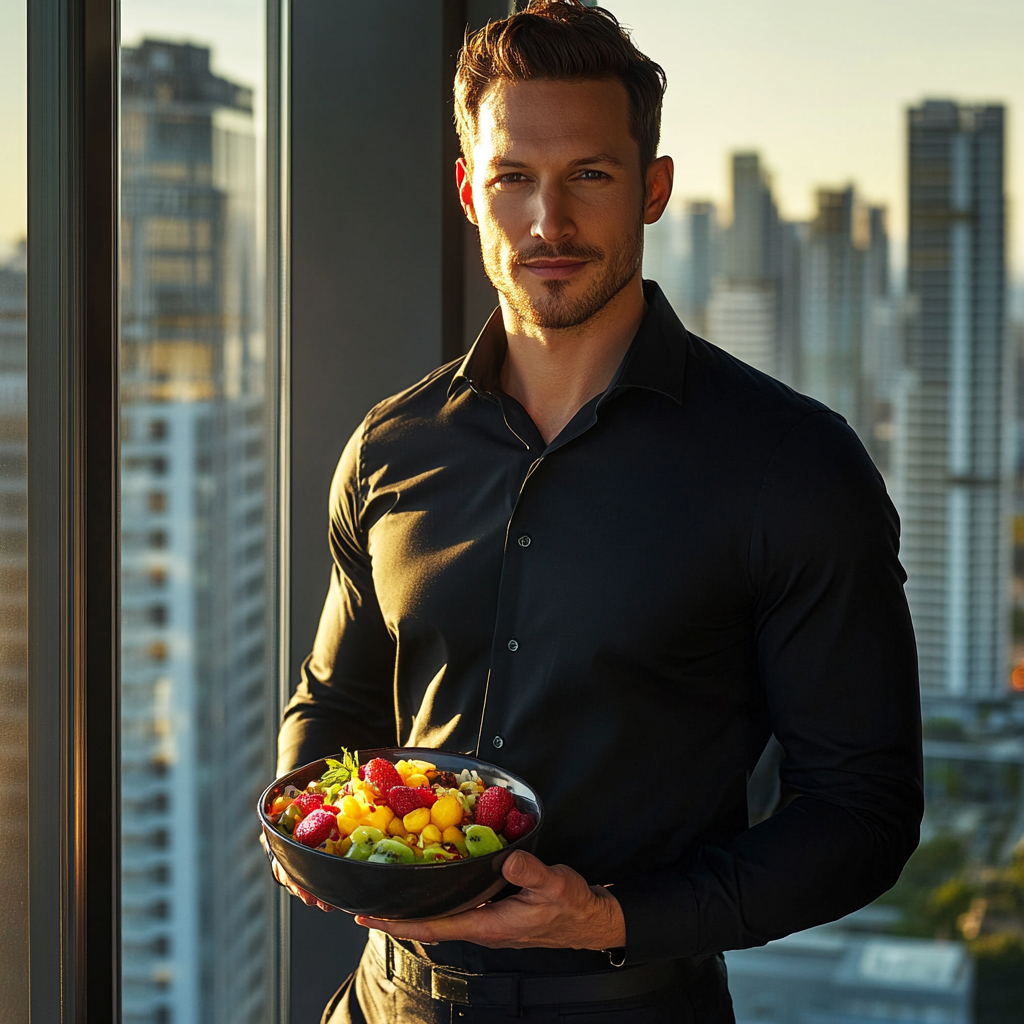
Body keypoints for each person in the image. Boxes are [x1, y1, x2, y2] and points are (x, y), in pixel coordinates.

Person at [264, 2, 923, 1021]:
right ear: (467, 192)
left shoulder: (792, 465)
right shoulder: (391, 447)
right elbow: (335, 709)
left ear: (652, 189)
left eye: (590, 176)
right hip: (385, 1002)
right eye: (512, 178)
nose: (547, 223)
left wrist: (608, 918)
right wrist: (319, 842)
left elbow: (862, 813)